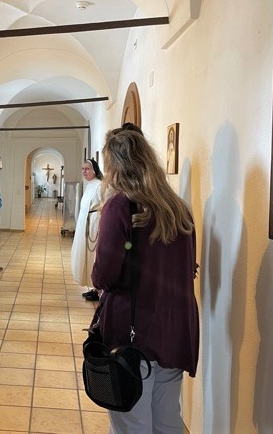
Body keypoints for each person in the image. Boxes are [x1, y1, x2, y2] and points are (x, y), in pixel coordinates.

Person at [91, 129, 199, 434]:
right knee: (167, 419)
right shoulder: (178, 208)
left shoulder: (121, 206)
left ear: (115, 166)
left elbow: (104, 275)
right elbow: (188, 267)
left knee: (131, 421)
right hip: (175, 328)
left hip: (134, 330)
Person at [71, 158, 104, 301]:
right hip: (85, 223)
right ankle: (93, 287)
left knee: (93, 256)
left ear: (94, 170)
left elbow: (105, 205)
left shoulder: (100, 185)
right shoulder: (90, 184)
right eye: (83, 169)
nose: (84, 171)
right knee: (86, 256)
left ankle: (98, 288)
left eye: (87, 169)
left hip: (93, 224)